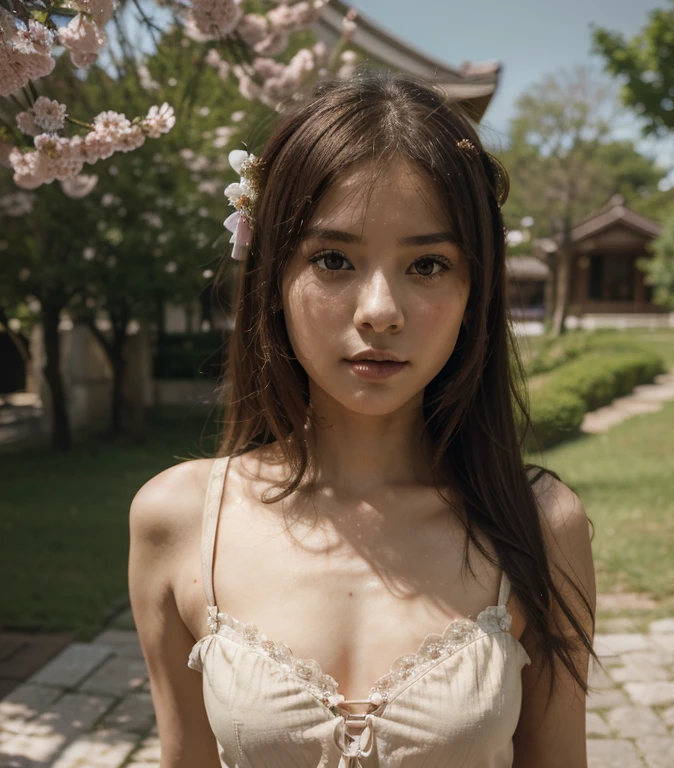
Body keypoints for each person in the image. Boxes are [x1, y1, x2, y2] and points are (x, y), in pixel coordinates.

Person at [129, 69, 598, 768]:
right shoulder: (181, 520)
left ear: (477, 288)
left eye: (429, 264)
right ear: (273, 277)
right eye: (334, 259)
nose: (380, 309)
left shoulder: (538, 523)